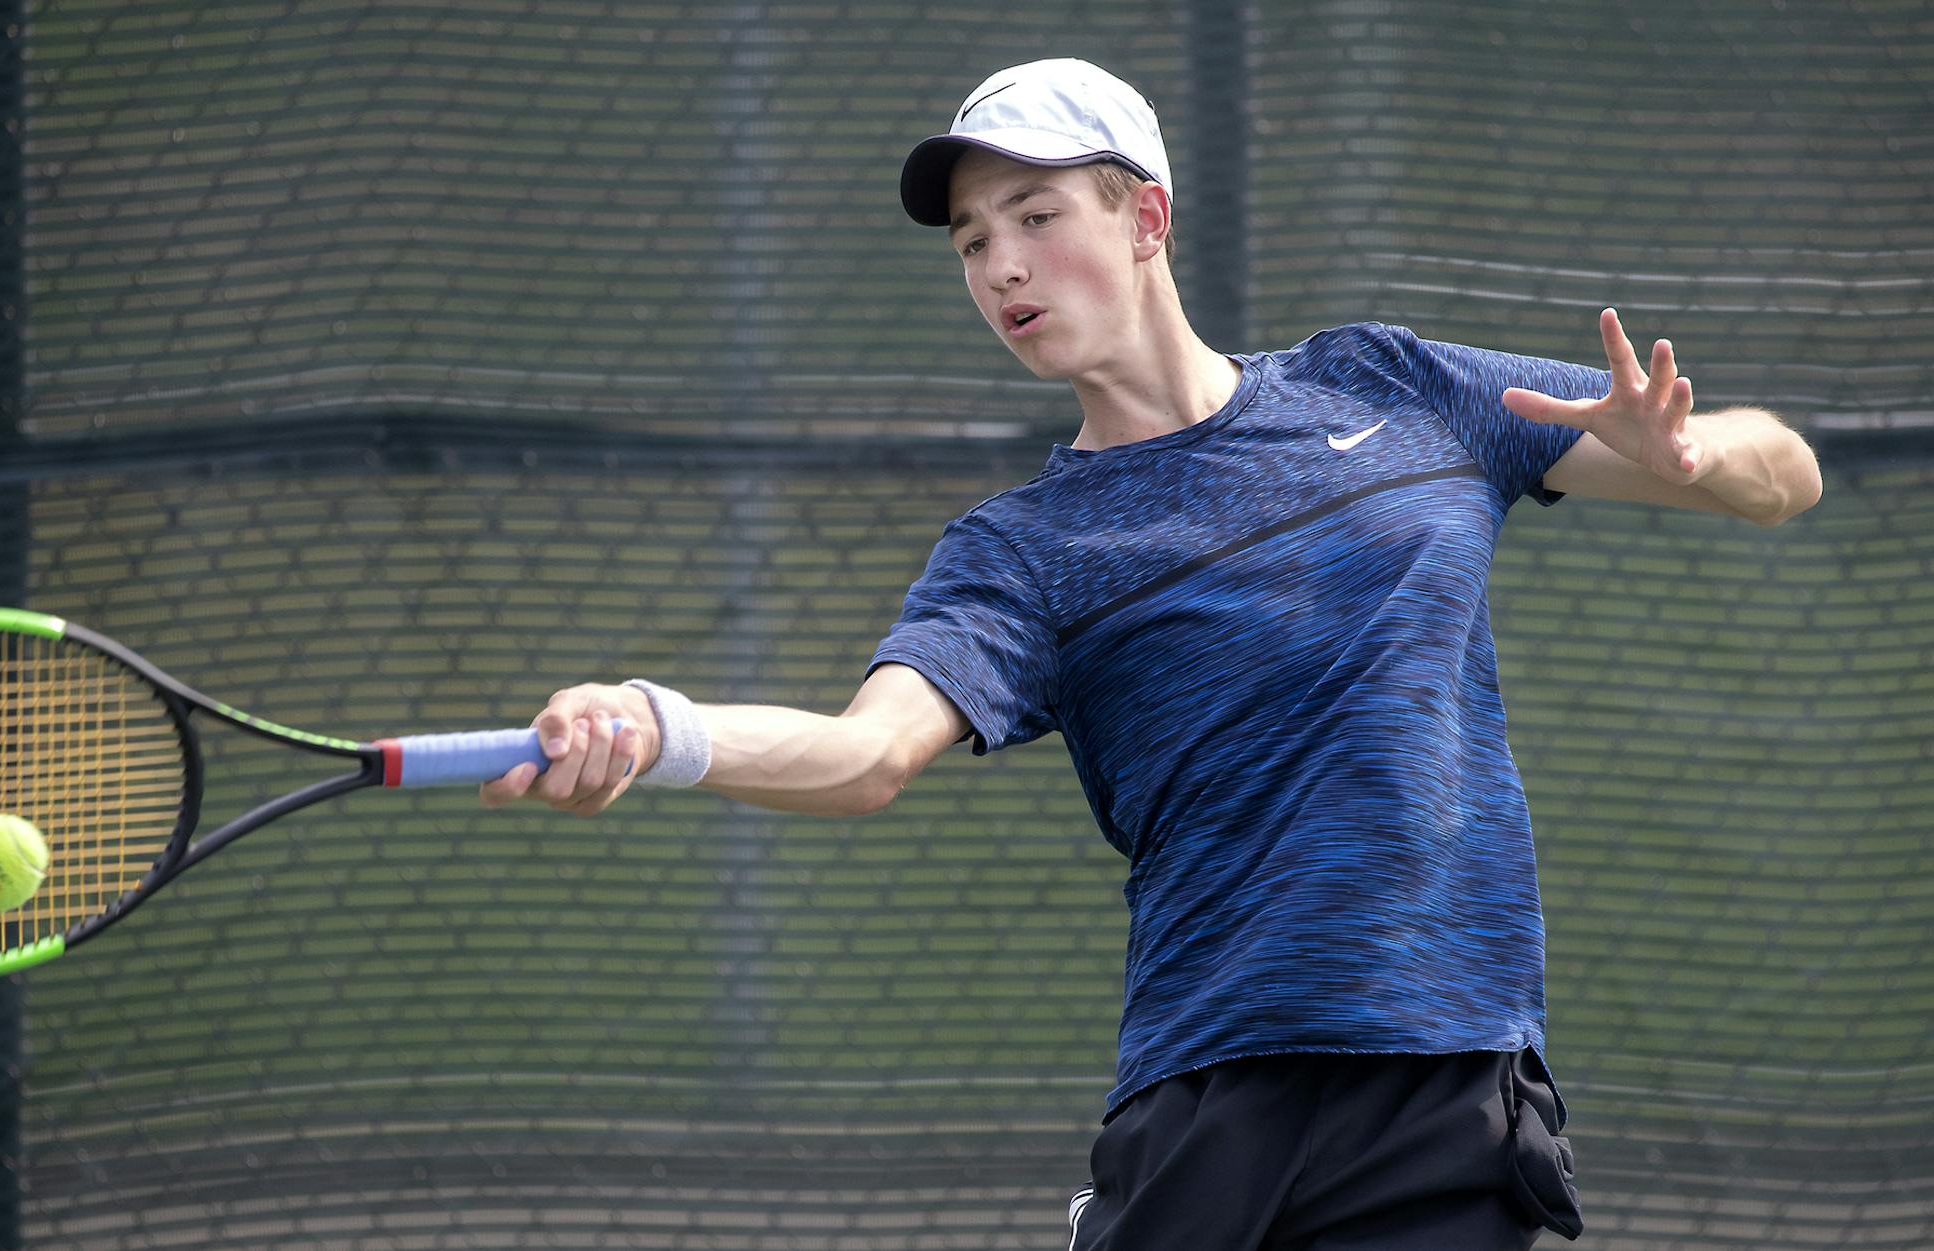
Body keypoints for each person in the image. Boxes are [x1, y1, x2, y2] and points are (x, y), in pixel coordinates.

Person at [479, 58, 1823, 1251]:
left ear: (1145, 218)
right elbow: (864, 755)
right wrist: (655, 725)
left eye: (1037, 216)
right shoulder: (1024, 550)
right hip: (1208, 1102)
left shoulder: (1397, 390)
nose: (1001, 265)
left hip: (1447, 1081)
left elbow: (1788, 476)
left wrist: (1700, 457)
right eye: (971, 241)